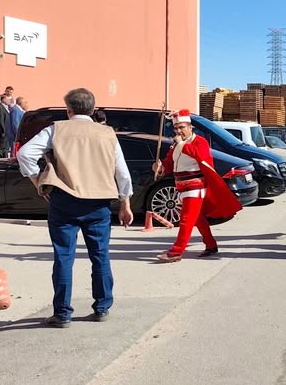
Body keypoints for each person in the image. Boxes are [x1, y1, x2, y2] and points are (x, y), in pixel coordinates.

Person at [17, 87, 134, 327]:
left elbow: (25, 154)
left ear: (68, 110)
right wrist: (125, 202)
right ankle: (102, 307)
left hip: (64, 201)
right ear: (92, 109)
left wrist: (37, 180)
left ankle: (62, 313)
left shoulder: (56, 129)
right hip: (99, 203)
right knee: (100, 256)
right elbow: (122, 172)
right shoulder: (107, 134)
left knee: (63, 257)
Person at [152, 109, 242, 263]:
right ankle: (211, 244)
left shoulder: (199, 141)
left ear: (190, 127)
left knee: (186, 219)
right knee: (198, 219)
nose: (179, 131)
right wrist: (160, 168)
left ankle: (176, 251)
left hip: (196, 186)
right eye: (176, 128)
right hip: (181, 186)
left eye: (182, 127)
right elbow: (169, 163)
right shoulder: (176, 145)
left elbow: (199, 156)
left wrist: (181, 145)